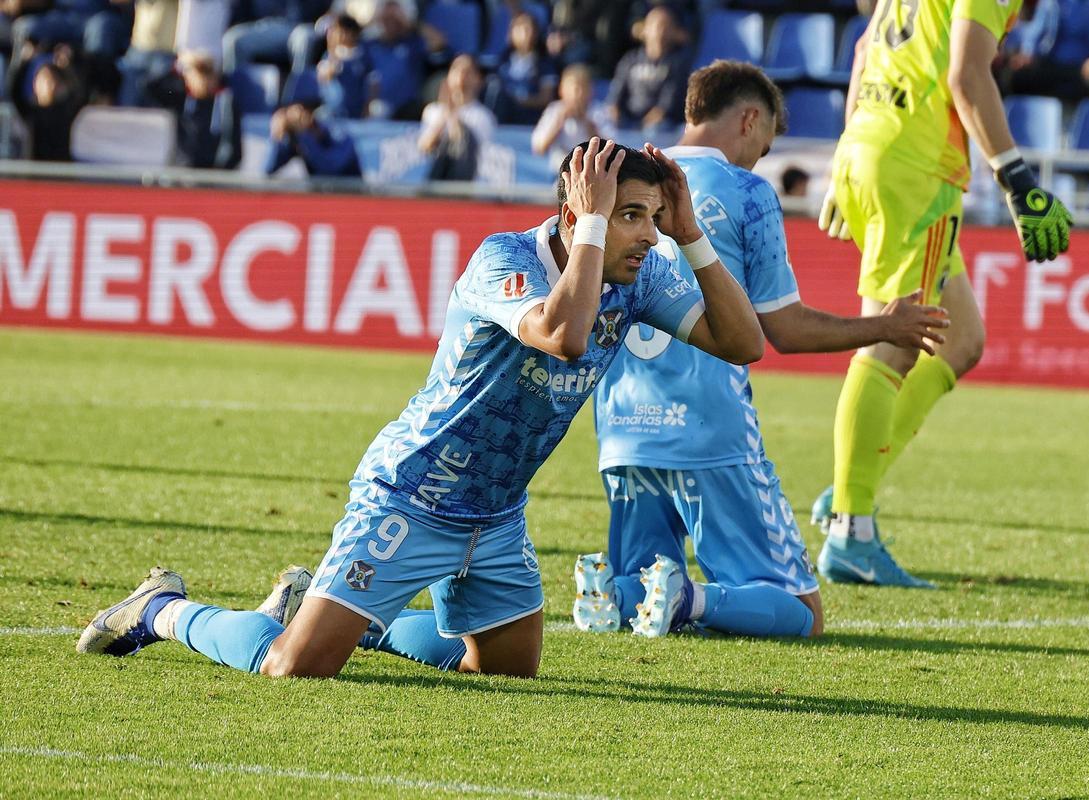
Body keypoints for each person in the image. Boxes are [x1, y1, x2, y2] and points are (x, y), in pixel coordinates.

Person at [75, 138, 765, 679]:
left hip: (495, 516)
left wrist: (692, 234)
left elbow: (743, 342)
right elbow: (563, 335)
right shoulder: (505, 260)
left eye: (652, 218)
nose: (649, 236)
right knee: (295, 666)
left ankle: (358, 619)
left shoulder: (640, 272)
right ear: (576, 217)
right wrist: (592, 228)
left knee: (501, 673)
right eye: (631, 218)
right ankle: (161, 610)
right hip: (410, 497)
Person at [573, 61, 949, 640]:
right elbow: (787, 328)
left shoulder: (632, 184)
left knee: (643, 586)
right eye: (764, 146)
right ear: (749, 119)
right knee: (801, 612)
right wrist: (885, 326)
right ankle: (689, 601)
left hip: (623, 431)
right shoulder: (744, 191)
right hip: (709, 431)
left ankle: (612, 589)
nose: (759, 160)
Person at [811, 0, 1074, 586]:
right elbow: (966, 75)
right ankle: (851, 530)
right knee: (894, 342)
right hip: (916, 164)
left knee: (961, 342)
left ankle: (855, 484)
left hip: (873, 146)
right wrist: (1018, 181)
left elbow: (863, 53)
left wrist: (845, 157)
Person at [606, 5, 688, 131]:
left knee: (657, 129)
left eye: (666, 26)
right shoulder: (630, 59)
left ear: (673, 31)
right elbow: (615, 97)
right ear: (644, 30)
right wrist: (615, 115)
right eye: (656, 26)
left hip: (661, 126)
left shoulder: (678, 64)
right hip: (628, 121)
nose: (660, 32)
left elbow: (665, 107)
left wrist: (640, 127)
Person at [419, 53, 495, 181]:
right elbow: (425, 146)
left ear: (478, 79)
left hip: (465, 187)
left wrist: (452, 115)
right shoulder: (433, 111)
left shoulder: (483, 116)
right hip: (434, 185)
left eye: (467, 71)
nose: (461, 75)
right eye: (455, 69)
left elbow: (466, 152)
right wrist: (444, 114)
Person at [531, 63, 613, 162]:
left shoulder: (598, 112)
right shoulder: (555, 110)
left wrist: (588, 125)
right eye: (575, 89)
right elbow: (539, 148)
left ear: (591, 90)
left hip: (591, 171)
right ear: (562, 90)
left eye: (583, 89)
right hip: (560, 170)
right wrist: (559, 122)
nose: (579, 95)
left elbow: (611, 149)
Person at [488, 11, 558, 125]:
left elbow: (546, 98)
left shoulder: (545, 64)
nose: (526, 33)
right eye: (520, 28)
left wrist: (520, 101)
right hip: (501, 117)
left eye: (529, 28)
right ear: (511, 33)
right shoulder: (502, 60)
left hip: (530, 120)